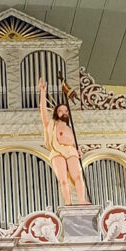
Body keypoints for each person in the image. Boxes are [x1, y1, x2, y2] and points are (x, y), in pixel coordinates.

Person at [38, 77, 88, 205]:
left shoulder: (70, 129)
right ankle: (68, 202)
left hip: (71, 151)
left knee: (78, 177)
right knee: (63, 180)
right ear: (56, 113)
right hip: (57, 151)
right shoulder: (51, 124)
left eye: (66, 110)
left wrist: (77, 150)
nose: (64, 112)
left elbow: (74, 144)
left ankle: (82, 200)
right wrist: (43, 92)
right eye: (60, 111)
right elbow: (43, 111)